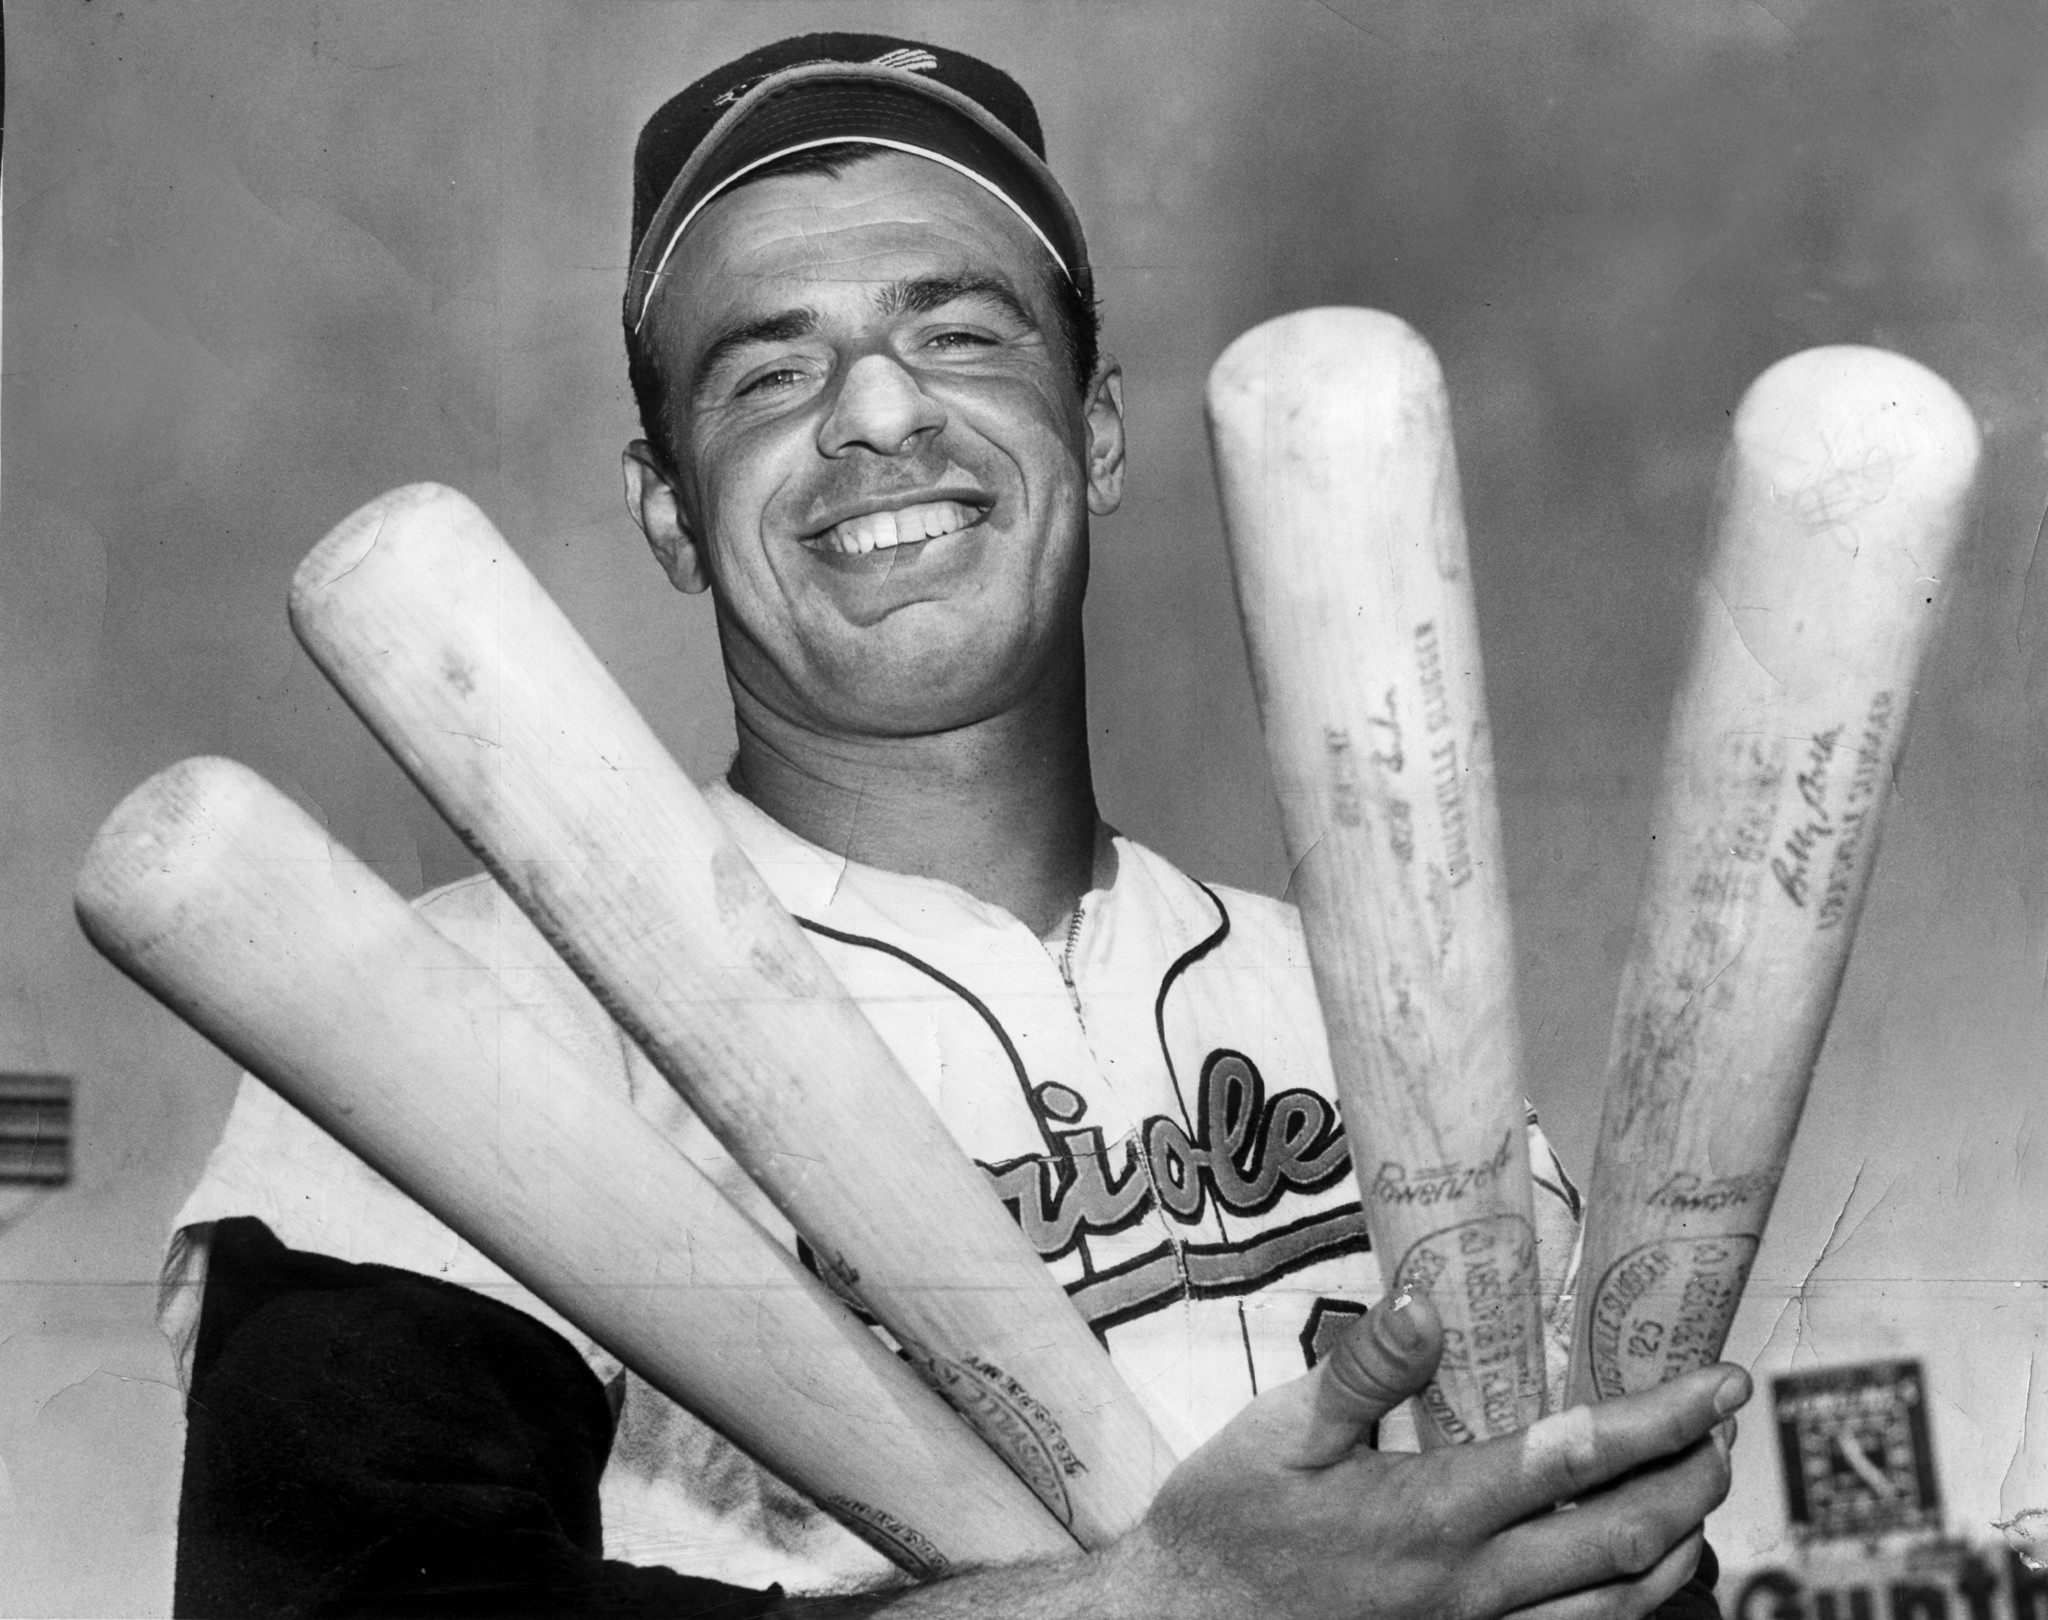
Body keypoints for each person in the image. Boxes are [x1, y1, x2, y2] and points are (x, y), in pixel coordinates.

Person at [160, 33, 1746, 1617]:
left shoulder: (1368, 1004)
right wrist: (1167, 1605)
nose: (876, 408)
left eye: (964, 333)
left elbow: (1593, 1551)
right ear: (670, 511)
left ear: (1099, 431)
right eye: (768, 372)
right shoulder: (461, 1013)